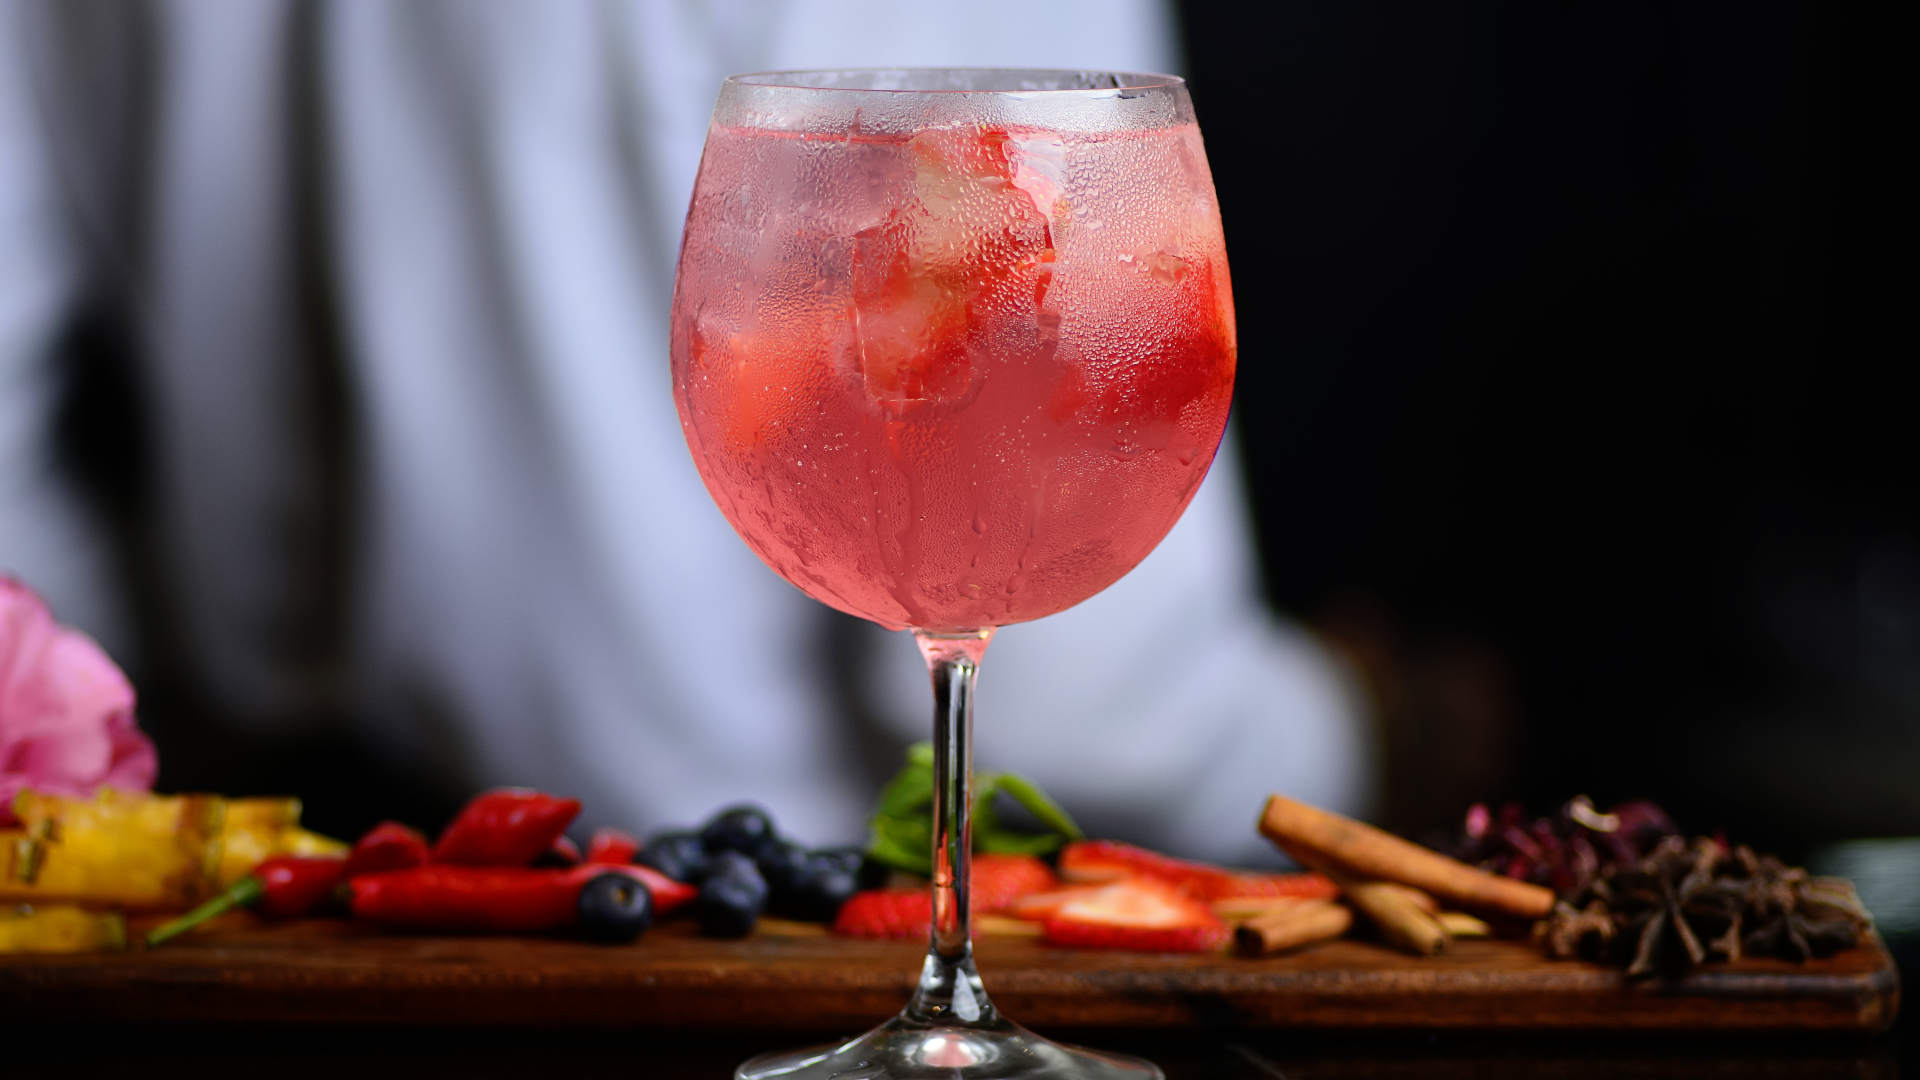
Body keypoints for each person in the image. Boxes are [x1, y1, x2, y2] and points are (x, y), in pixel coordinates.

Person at [0, 0, 1372, 859]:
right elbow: (1082, 715)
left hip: (288, 967)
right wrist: (1352, 740)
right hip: (760, 1014)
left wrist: (124, 759)